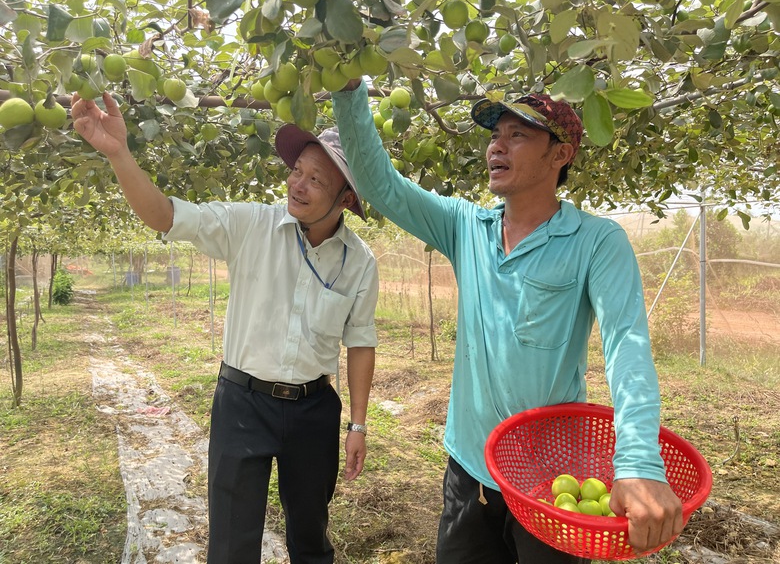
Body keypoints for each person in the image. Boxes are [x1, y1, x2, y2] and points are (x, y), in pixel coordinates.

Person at [331, 79, 683, 564]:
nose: (497, 145)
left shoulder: (597, 242)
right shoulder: (464, 227)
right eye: (496, 134)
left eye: (518, 135)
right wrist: (349, 90)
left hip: (549, 477)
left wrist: (640, 462)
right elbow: (379, 185)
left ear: (559, 155)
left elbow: (627, 345)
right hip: (470, 469)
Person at [71, 91, 379, 564]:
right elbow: (165, 215)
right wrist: (118, 153)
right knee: (232, 545)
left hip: (314, 411)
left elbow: (359, 342)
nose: (299, 184)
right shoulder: (249, 224)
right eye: (298, 170)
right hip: (242, 404)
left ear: (347, 198)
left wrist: (358, 423)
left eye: (317, 179)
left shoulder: (358, 262)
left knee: (311, 539)